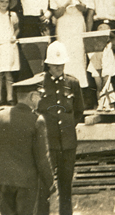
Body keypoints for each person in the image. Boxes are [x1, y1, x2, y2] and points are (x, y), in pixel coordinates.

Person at [0, 74, 54, 215]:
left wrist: (5, 155)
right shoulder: (37, 120)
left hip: (3, 178)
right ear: (32, 96)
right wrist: (51, 183)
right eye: (39, 95)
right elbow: (42, 158)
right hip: (26, 181)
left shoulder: (1, 116)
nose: (40, 99)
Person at [37, 41, 85, 215]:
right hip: (48, 145)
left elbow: (79, 111)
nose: (59, 68)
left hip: (67, 145)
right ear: (48, 64)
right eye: (55, 65)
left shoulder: (72, 83)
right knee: (44, 188)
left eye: (61, 65)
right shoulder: (39, 84)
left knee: (66, 188)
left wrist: (67, 127)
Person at [50, 0, 90, 90]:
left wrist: (77, 3)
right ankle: (65, 87)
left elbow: (85, 8)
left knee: (78, 54)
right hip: (63, 25)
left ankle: (80, 88)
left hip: (77, 23)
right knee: (64, 54)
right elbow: (56, 14)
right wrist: (67, 3)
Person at [0, 0, 21, 105]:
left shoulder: (12, 15)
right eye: (1, 1)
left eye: (6, 2)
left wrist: (14, 36)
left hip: (9, 45)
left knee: (8, 73)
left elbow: (17, 29)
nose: (4, 4)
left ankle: (9, 98)